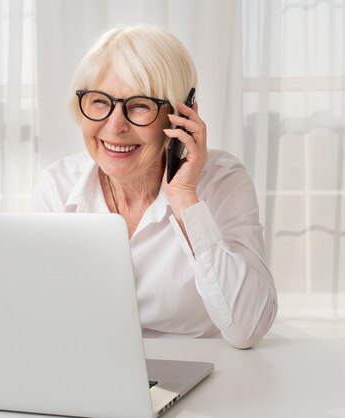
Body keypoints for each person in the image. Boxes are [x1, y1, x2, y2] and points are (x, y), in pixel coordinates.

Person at [29, 24, 277, 349]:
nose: (115, 125)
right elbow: (33, 313)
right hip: (89, 371)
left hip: (204, 376)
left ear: (178, 117)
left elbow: (247, 328)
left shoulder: (222, 181)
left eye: (140, 105)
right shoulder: (57, 185)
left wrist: (185, 198)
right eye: (100, 102)